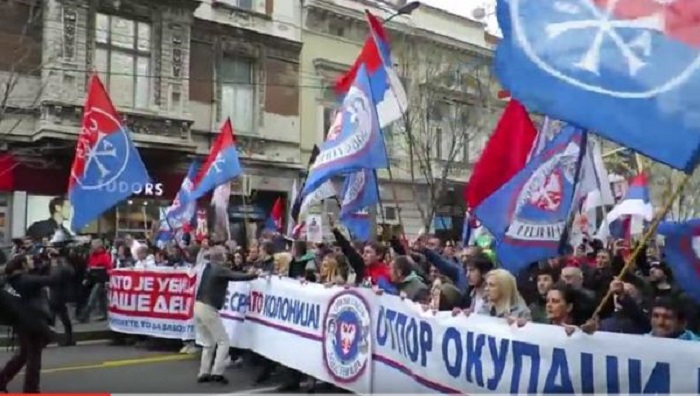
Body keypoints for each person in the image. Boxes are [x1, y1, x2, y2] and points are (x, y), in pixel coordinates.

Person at [194, 246, 257, 385]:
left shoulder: (208, 267)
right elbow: (237, 277)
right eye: (224, 255)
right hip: (208, 307)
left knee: (208, 343)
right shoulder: (219, 269)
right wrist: (254, 275)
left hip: (198, 306)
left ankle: (204, 372)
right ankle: (217, 372)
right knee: (223, 341)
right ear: (221, 257)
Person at [0, 254, 61, 393]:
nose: (33, 260)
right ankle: (31, 389)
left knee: (24, 354)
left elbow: (38, 273)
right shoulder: (25, 280)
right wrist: (55, 264)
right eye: (29, 260)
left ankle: (2, 379)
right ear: (23, 265)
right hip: (32, 323)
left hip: (21, 321)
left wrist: (46, 263)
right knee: (34, 357)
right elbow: (52, 279)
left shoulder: (12, 280)